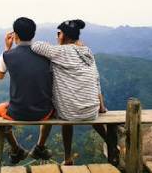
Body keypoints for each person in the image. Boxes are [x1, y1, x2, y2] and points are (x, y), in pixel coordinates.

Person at [30, 19, 109, 165]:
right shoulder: (88, 52)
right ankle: (110, 143)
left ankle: (55, 153)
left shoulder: (61, 51)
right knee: (75, 101)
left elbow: (36, 46)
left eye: (58, 33)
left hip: (69, 113)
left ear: (63, 35)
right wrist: (101, 107)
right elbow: (96, 81)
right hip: (92, 111)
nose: (56, 36)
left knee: (54, 105)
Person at [0, 17, 55, 163]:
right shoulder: (46, 55)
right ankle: (40, 146)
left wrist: (7, 49)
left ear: (15, 35)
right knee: (52, 107)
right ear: (33, 34)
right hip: (44, 112)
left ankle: (16, 149)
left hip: (16, 112)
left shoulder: (7, 55)